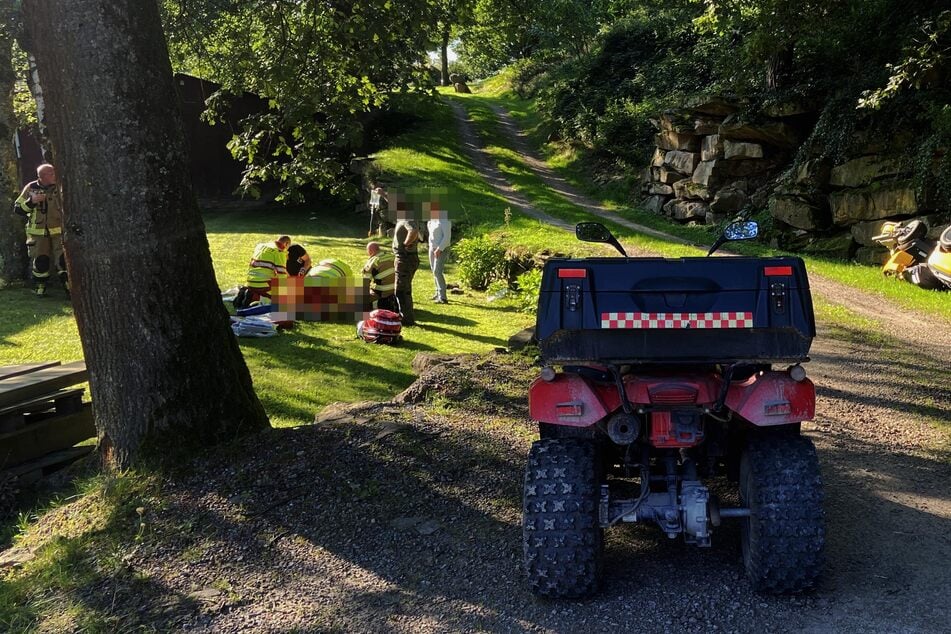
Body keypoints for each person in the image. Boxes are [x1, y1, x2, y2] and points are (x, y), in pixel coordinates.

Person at [13, 163, 67, 296]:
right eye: (52, 173)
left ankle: (69, 289)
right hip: (37, 233)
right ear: (43, 176)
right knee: (40, 261)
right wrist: (32, 201)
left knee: (63, 261)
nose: (55, 175)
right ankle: (40, 288)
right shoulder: (31, 188)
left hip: (59, 232)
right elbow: (18, 209)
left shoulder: (60, 186)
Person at [235, 235, 291, 308]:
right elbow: (282, 275)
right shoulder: (279, 251)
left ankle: (247, 295)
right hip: (263, 284)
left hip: (250, 281)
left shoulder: (261, 246)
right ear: (286, 244)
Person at [392, 218, 420, 326]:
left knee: (401, 290)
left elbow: (413, 230)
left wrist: (405, 244)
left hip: (405, 257)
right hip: (405, 257)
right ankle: (403, 316)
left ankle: (406, 319)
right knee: (403, 289)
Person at [362, 241, 397, 312]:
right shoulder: (392, 256)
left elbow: (365, 283)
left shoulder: (373, 261)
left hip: (383, 293)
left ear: (370, 251)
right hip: (396, 291)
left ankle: (377, 304)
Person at [427, 208, 452, 304]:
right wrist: (431, 247)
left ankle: (443, 297)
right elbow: (431, 236)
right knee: (434, 271)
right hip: (432, 248)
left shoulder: (445, 220)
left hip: (442, 249)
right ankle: (437, 292)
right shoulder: (431, 220)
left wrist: (439, 249)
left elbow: (447, 237)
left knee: (437, 271)